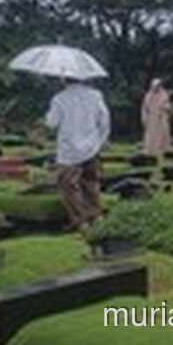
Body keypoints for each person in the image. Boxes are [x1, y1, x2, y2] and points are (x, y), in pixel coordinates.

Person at [44, 78, 110, 232]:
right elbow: (105, 121)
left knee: (68, 186)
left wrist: (48, 116)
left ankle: (81, 221)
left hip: (69, 151)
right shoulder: (95, 95)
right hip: (91, 148)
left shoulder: (60, 98)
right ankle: (97, 216)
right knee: (91, 183)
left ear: (63, 79)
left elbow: (52, 123)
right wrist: (100, 141)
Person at [141, 79, 173, 157]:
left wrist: (165, 108)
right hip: (151, 118)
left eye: (157, 86)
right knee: (150, 135)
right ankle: (150, 150)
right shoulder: (148, 95)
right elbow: (145, 108)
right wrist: (144, 117)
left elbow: (167, 105)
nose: (156, 88)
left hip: (161, 117)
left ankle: (162, 150)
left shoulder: (164, 94)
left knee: (162, 133)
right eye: (154, 86)